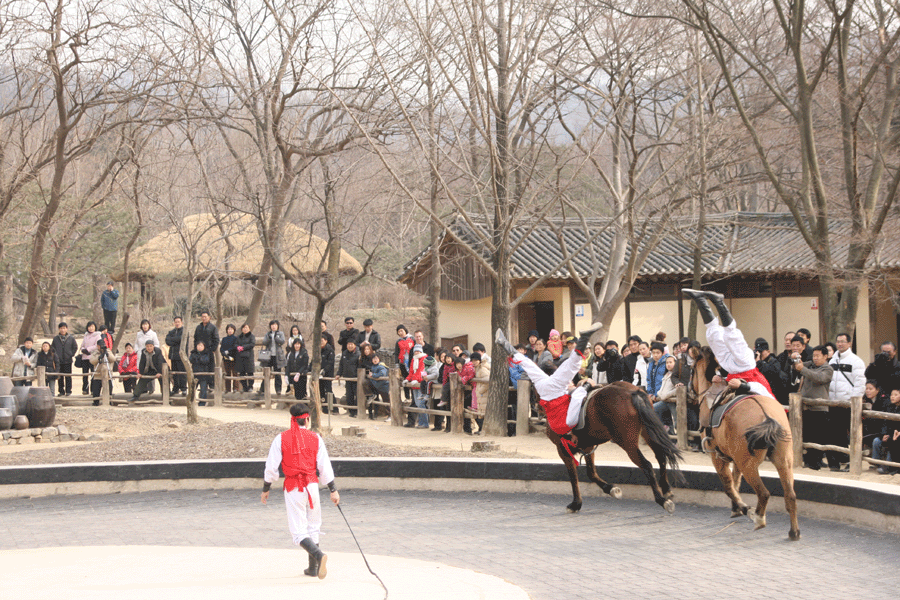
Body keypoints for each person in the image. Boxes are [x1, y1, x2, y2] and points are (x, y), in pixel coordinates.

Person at [261, 403, 340, 579]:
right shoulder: (316, 438)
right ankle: (312, 569)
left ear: (292, 419)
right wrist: (333, 490)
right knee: (313, 526)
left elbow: (271, 467)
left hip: (293, 488)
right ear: (307, 419)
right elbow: (324, 467)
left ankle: (319, 556)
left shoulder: (281, 438)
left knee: (298, 531)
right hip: (312, 486)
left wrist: (266, 488)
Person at [496, 323, 600, 443]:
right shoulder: (556, 428)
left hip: (554, 390)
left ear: (572, 437)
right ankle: (504, 343)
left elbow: (577, 397)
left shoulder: (569, 424)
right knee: (527, 363)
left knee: (573, 365)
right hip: (543, 389)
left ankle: (584, 338)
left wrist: (587, 386)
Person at [682, 289, 775, 401]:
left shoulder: (751, 370)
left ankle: (718, 302)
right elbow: (731, 379)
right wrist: (721, 379)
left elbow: (761, 388)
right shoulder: (726, 365)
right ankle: (700, 300)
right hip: (732, 367)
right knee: (714, 335)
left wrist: (742, 385)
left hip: (745, 366)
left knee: (731, 335)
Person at [826, 332, 867, 471]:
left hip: (848, 404)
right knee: (834, 433)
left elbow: (860, 384)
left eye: (843, 341)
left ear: (849, 343)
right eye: (838, 341)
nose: (840, 344)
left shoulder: (856, 361)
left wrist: (854, 401)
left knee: (848, 434)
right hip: (833, 403)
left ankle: (850, 460)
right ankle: (836, 462)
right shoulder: (832, 361)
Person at [795, 345, 834, 470]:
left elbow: (819, 378)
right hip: (806, 406)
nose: (815, 358)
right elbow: (797, 366)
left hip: (820, 408)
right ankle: (808, 461)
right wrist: (795, 359)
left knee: (818, 437)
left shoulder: (828, 369)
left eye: (818, 356)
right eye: (814, 355)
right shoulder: (810, 364)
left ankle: (816, 462)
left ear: (825, 356)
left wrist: (802, 369)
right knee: (807, 435)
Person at [873, 388, 900, 474]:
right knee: (876, 441)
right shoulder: (889, 407)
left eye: (896, 395)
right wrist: (884, 434)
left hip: (897, 435)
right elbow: (884, 423)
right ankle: (877, 463)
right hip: (890, 434)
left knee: (892, 441)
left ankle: (888, 466)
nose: (892, 397)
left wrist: (896, 434)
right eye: (892, 395)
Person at [403, 344, 427, 427]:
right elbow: (411, 372)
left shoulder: (424, 359)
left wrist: (417, 379)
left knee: (421, 403)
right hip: (414, 384)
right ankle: (421, 422)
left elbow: (422, 371)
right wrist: (407, 379)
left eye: (418, 350)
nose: (417, 352)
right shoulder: (414, 360)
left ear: (421, 351)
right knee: (417, 403)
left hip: (420, 383)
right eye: (415, 351)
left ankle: (424, 423)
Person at [52, 322, 78, 396]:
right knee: (60, 376)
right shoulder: (56, 338)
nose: (62, 330)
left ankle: (68, 391)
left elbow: (75, 347)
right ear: (59, 329)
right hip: (58, 361)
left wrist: (70, 354)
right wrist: (56, 356)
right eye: (61, 328)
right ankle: (61, 391)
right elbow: (53, 348)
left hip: (68, 360)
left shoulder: (71, 338)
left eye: (64, 328)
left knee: (68, 376)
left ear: (66, 329)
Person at [260, 320, 286, 395]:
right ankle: (262, 389)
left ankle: (278, 390)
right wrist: (269, 338)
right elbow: (264, 342)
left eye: (275, 325)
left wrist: (276, 337)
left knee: (277, 373)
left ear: (277, 326)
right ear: (270, 326)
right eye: (272, 325)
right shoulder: (268, 334)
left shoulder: (280, 333)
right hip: (268, 355)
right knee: (266, 373)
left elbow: (282, 341)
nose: (273, 326)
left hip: (277, 356)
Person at [336, 339, 360, 416]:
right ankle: (351, 411)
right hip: (347, 378)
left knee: (356, 395)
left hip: (356, 378)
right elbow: (341, 365)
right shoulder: (344, 353)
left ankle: (356, 411)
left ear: (355, 345)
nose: (350, 346)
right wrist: (338, 374)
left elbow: (360, 366)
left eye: (351, 344)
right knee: (349, 395)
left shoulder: (358, 354)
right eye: (348, 344)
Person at [88, 338, 116, 402]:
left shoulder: (108, 351)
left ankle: (108, 401)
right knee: (96, 391)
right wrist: (99, 357)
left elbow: (113, 359)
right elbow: (92, 361)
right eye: (100, 345)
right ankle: (95, 402)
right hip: (98, 375)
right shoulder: (95, 352)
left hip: (108, 375)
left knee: (109, 390)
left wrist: (107, 354)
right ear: (97, 346)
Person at [165, 316, 187, 396]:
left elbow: (180, 339)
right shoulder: (172, 331)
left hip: (181, 355)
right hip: (173, 355)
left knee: (182, 373)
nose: (177, 323)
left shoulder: (184, 331)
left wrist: (173, 340)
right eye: (176, 322)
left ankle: (184, 389)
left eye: (178, 322)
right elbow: (167, 341)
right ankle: (175, 388)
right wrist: (175, 340)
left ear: (181, 322)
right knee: (174, 373)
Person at [189, 341, 215, 405]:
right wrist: (198, 359)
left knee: (203, 389)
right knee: (192, 388)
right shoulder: (193, 352)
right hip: (195, 373)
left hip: (204, 374)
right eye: (198, 345)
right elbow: (190, 360)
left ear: (204, 346)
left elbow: (205, 361)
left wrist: (198, 359)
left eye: (201, 346)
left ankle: (202, 402)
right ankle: (191, 401)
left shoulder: (207, 353)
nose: (199, 347)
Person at [470, 352, 490, 433]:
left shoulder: (482, 369)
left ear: (479, 360)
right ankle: (482, 429)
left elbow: (487, 381)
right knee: (480, 411)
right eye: (472, 360)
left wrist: (480, 391)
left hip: (484, 393)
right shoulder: (477, 368)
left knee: (483, 412)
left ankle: (484, 429)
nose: (474, 362)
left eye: (476, 360)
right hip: (481, 393)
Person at [79, 321, 101, 395]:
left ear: (95, 327)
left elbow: (97, 345)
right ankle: (85, 389)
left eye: (92, 326)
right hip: (85, 357)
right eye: (89, 326)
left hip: (93, 357)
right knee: (85, 374)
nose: (91, 328)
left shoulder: (98, 335)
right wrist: (83, 349)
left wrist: (88, 349)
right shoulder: (85, 335)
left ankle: (93, 390)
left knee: (93, 374)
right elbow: (82, 345)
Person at [367, 354, 390, 420]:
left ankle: (390, 415)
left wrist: (373, 375)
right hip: (378, 386)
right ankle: (388, 414)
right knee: (385, 400)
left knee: (386, 401)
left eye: (376, 358)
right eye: (373, 358)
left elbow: (382, 374)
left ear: (379, 359)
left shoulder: (381, 366)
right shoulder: (373, 366)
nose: (375, 360)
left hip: (384, 386)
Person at [394, 325, 415, 400]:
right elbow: (396, 353)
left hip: (412, 363)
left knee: (412, 379)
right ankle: (407, 397)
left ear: (405, 330)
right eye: (399, 331)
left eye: (401, 330)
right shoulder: (398, 341)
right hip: (402, 363)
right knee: (405, 379)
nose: (400, 333)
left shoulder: (412, 339)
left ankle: (413, 398)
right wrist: (397, 364)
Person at [235, 323, 256, 393]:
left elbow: (252, 344)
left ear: (249, 328)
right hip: (240, 357)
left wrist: (243, 347)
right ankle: (244, 387)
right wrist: (237, 347)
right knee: (241, 372)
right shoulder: (239, 337)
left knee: (250, 372)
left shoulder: (251, 336)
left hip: (249, 356)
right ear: (241, 329)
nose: (245, 329)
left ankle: (250, 386)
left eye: (246, 327)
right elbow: (235, 344)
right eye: (244, 328)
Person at [220, 324, 238, 393]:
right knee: (227, 373)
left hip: (234, 358)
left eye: (231, 329)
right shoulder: (224, 339)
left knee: (235, 373)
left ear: (234, 330)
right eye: (228, 329)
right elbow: (221, 348)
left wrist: (228, 352)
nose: (230, 331)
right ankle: (227, 389)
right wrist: (223, 353)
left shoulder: (236, 338)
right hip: (226, 358)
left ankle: (235, 388)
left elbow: (234, 347)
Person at [319, 334, 335, 409]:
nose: (321, 342)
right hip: (319, 374)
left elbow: (330, 363)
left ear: (326, 341)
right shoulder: (318, 350)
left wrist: (324, 370)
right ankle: (324, 408)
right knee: (320, 390)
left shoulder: (330, 350)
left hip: (327, 373)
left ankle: (334, 408)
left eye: (322, 341)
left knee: (328, 391)